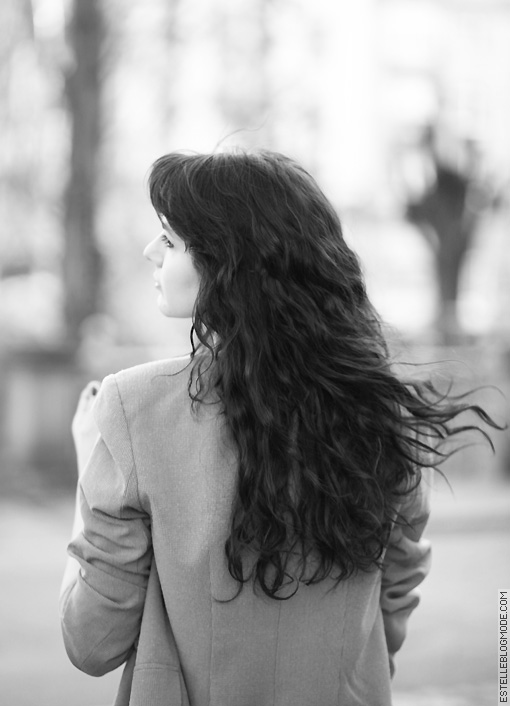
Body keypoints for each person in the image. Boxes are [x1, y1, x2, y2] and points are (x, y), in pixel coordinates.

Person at [60, 150, 499, 706]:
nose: (150, 250)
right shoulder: (384, 410)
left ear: (226, 265)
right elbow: (392, 604)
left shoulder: (133, 408)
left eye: (169, 240)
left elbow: (93, 641)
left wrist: (92, 462)